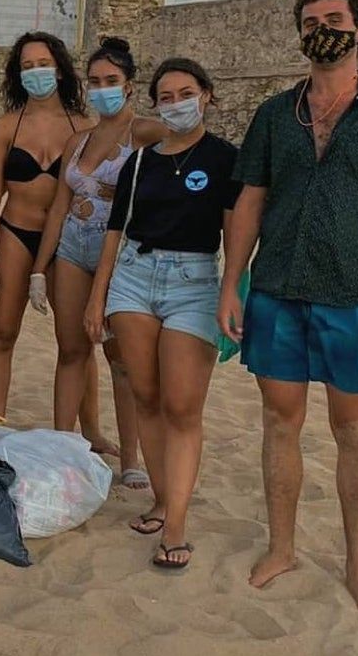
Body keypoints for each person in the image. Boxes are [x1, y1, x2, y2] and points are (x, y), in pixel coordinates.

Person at [218, 0, 358, 613]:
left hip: (355, 294)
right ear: (299, 33)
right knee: (279, 423)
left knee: (355, 434)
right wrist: (231, 285)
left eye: (336, 17)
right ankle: (282, 547)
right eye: (312, 19)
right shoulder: (272, 114)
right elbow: (250, 201)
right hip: (278, 289)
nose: (324, 27)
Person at [85, 58, 241, 569]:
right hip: (133, 275)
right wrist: (98, 295)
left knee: (181, 405)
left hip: (193, 282)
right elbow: (114, 229)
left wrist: (230, 291)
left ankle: (176, 524)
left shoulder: (224, 160)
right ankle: (160, 499)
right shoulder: (141, 159)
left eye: (186, 93)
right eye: (167, 97)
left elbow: (236, 233)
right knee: (145, 395)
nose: (176, 105)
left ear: (208, 96)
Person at [31, 38, 163, 489]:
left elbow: (191, 150)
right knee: (71, 350)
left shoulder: (144, 132)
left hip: (121, 256)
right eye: (95, 82)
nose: (102, 89)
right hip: (72, 250)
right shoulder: (78, 139)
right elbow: (58, 207)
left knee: (121, 357)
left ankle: (130, 458)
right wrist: (37, 268)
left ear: (129, 86)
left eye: (112, 82)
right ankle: (62, 446)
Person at [0, 31, 97, 423]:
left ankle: (74, 433)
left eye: (43, 64)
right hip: (16, 232)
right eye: (27, 66)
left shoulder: (83, 126)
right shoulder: (6, 128)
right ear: (17, 74)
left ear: (60, 69)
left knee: (74, 343)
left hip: (67, 242)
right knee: (2, 332)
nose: (36, 72)